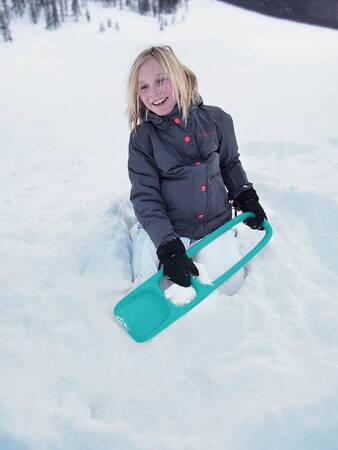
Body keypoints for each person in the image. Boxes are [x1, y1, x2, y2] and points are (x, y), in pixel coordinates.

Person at [126, 45, 267, 294]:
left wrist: (246, 197)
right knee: (153, 291)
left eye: (161, 80)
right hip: (168, 230)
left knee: (229, 289)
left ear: (178, 77)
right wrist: (168, 246)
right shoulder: (142, 139)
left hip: (213, 226)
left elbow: (229, 163)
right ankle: (143, 237)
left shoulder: (217, 120)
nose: (153, 93)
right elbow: (146, 196)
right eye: (144, 86)